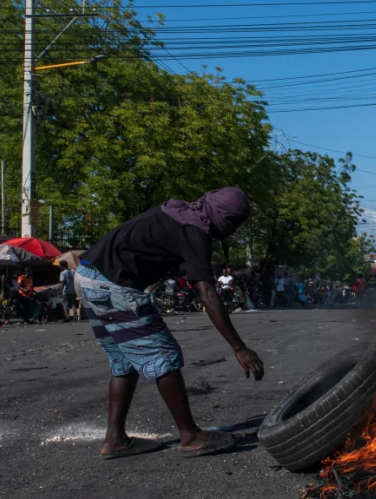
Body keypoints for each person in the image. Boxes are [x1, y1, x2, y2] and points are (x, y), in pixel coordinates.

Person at [77, 187, 264, 459]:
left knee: (126, 361)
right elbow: (207, 293)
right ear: (222, 214)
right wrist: (239, 347)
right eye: (233, 222)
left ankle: (115, 440)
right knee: (163, 353)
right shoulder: (194, 229)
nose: (232, 230)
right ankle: (191, 436)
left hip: (86, 275)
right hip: (113, 284)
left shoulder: (179, 214)